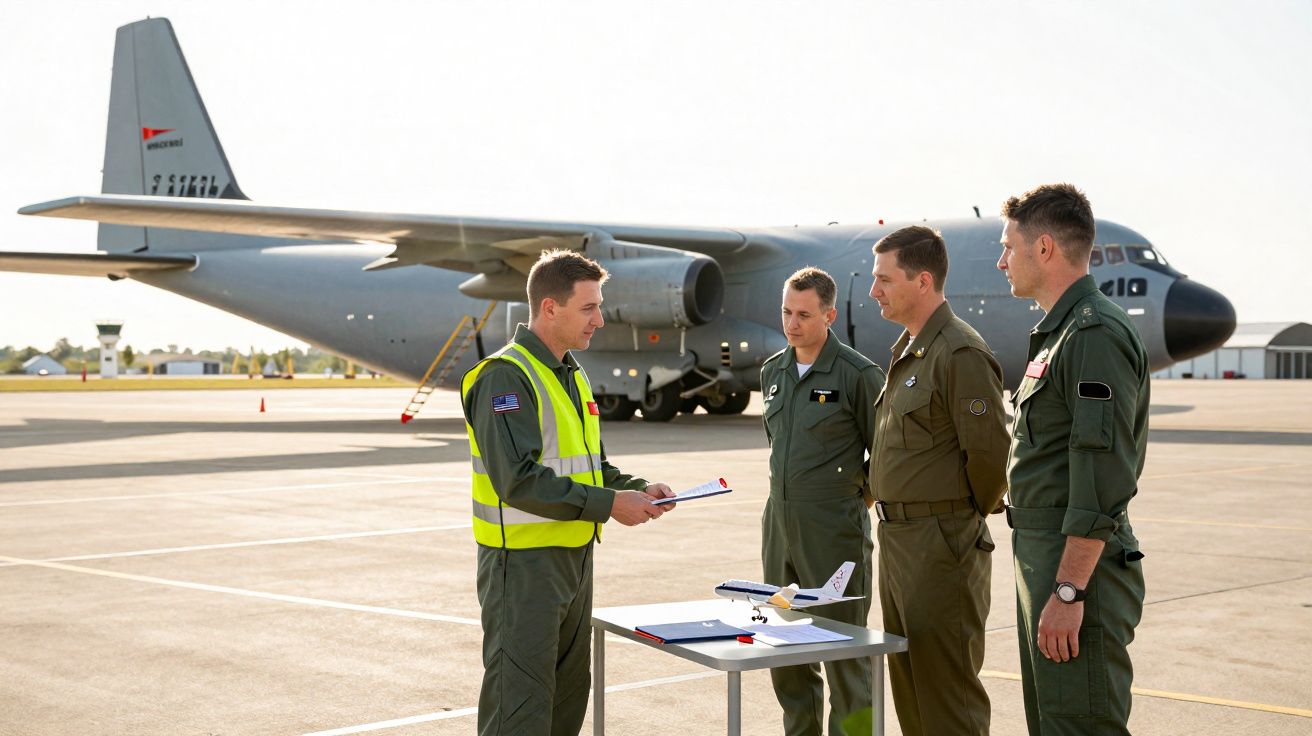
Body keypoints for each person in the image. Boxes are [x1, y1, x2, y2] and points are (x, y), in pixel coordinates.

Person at [462, 249, 677, 736]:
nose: (601, 320)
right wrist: (610, 505)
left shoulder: (570, 372)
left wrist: (637, 489)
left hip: (574, 559)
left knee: (565, 701)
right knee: (518, 709)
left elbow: (592, 467)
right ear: (549, 308)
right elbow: (517, 479)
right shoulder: (505, 376)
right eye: (589, 308)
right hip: (521, 568)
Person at [998, 183, 1149, 736]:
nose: (1001, 260)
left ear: (1043, 249)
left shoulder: (1092, 334)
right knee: (1056, 722)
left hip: (1076, 572)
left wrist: (1068, 591)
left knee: (1079, 726)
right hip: (1045, 560)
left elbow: (1101, 474)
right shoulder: (1059, 334)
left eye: (1008, 247)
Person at [867, 226, 1009, 735]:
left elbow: (990, 459)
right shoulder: (910, 351)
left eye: (884, 279)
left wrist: (954, 520)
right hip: (900, 542)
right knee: (910, 689)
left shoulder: (958, 352)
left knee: (947, 696)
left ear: (922, 281)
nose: (873, 290)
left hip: (940, 543)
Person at [759, 267, 885, 736]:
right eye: (787, 312)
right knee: (786, 648)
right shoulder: (772, 371)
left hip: (835, 529)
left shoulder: (858, 374)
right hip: (780, 528)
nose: (793, 324)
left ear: (829, 315)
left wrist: (850, 501)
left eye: (805, 314)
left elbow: (884, 457)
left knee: (844, 650)